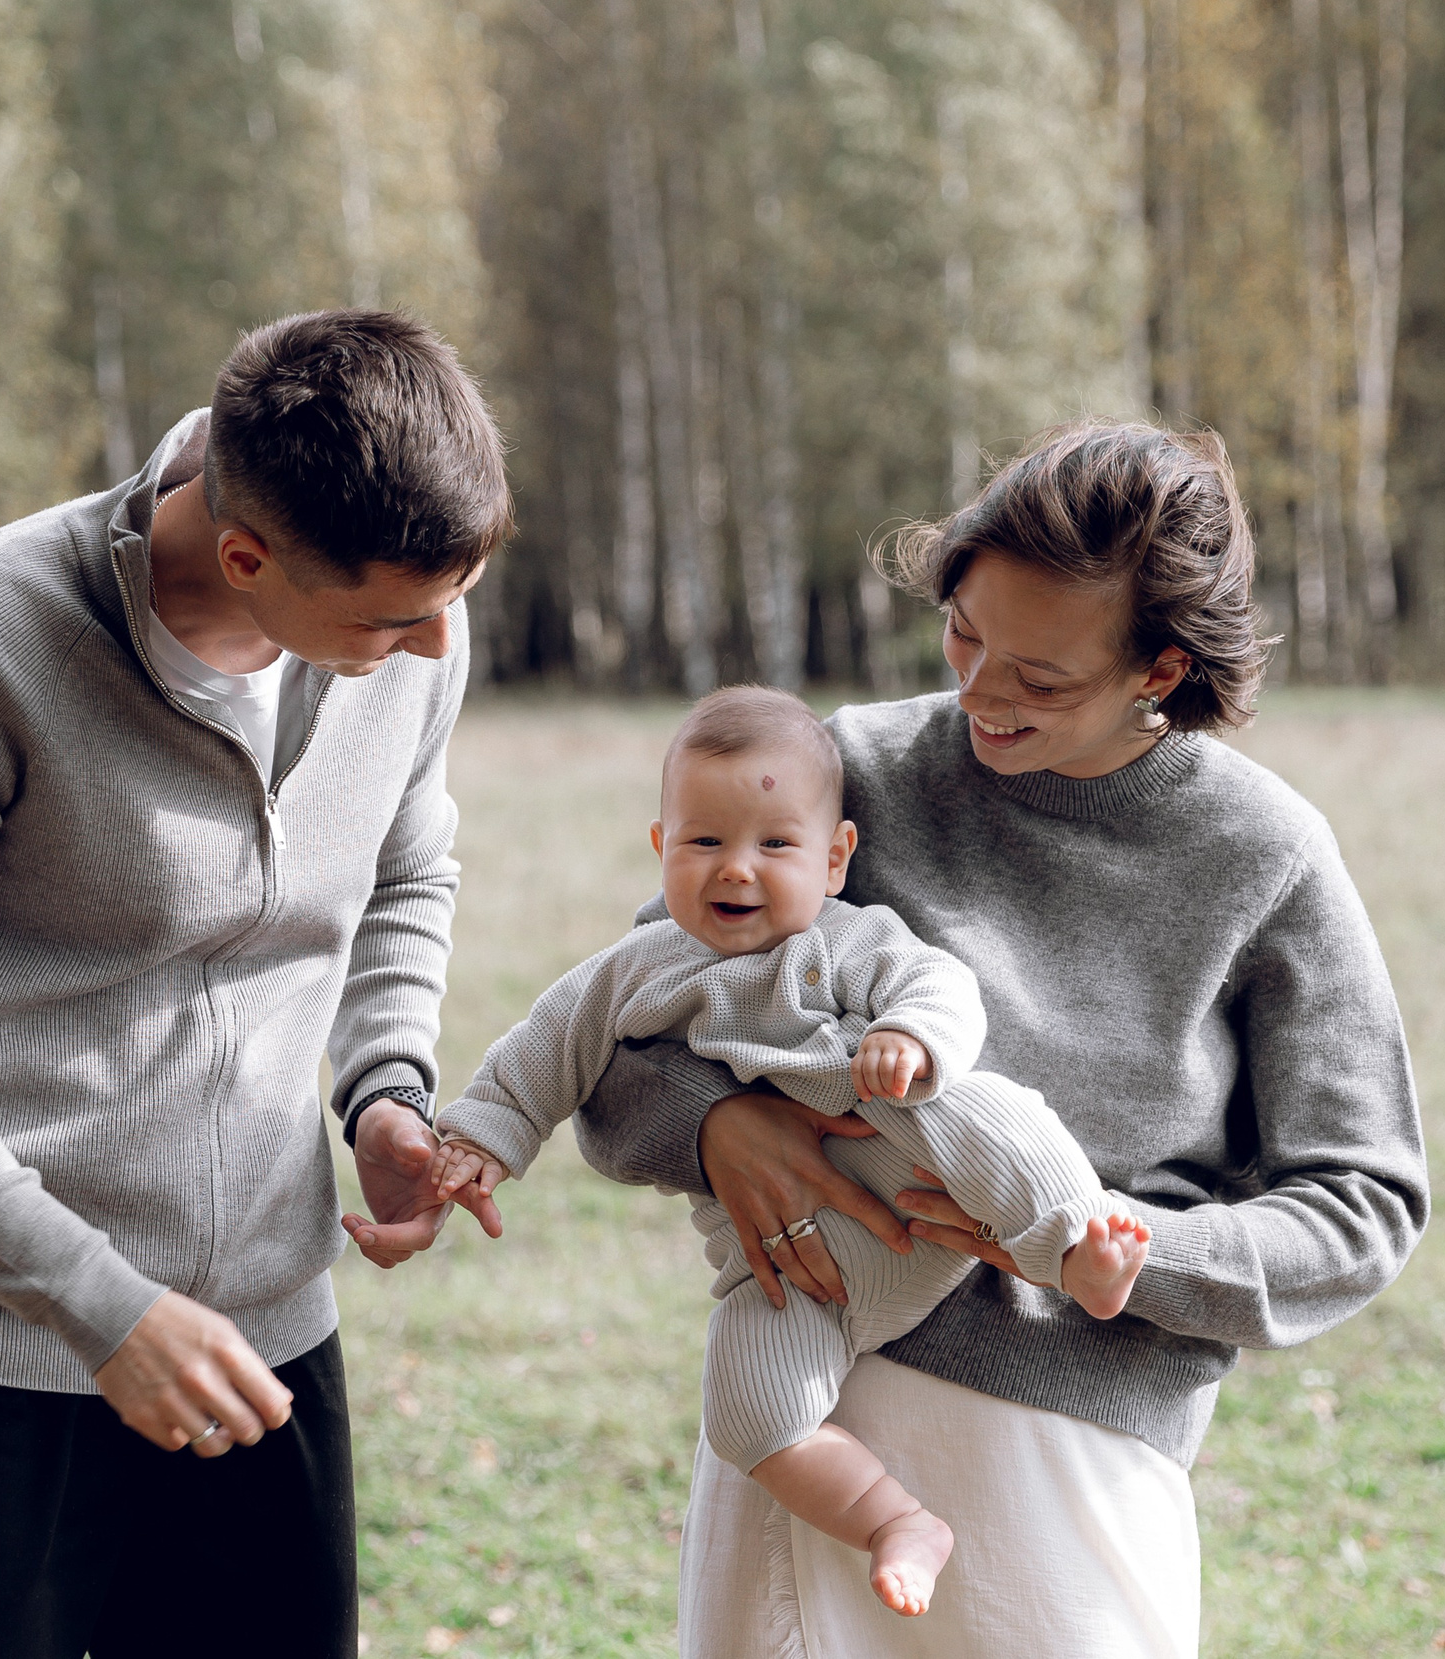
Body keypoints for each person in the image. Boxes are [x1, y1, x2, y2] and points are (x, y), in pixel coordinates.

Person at [568, 422, 1431, 1657]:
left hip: (1074, 1459)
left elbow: (1362, 1206)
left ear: (1161, 670)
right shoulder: (844, 770)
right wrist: (717, 1129)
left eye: (1040, 677)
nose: (976, 692)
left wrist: (1123, 1254)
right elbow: (616, 1029)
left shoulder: (1267, 857)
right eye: (964, 634)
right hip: (808, 1412)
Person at [0, 308, 507, 1658]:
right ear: (244, 554)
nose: (438, 653)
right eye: (396, 621)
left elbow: (406, 869)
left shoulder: (403, 626)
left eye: (449, 606)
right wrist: (101, 1306)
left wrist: (386, 1087)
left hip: (266, 1344)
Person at [427, 687, 1149, 1617]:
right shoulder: (633, 970)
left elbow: (943, 984)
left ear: (836, 858)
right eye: (705, 843)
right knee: (747, 1409)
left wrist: (914, 1036)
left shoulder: (851, 942)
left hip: (926, 1177)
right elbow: (543, 1053)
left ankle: (1078, 1250)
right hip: (803, 1269)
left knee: (985, 1114)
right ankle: (896, 1522)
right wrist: (482, 1139)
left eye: (775, 845)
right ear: (661, 848)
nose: (737, 870)